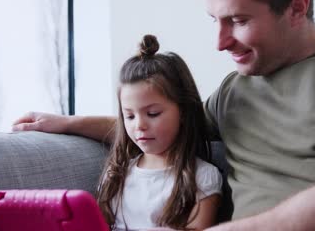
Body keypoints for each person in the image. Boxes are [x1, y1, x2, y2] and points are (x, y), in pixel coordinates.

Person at [13, 0, 315, 230]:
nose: (220, 42)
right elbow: (164, 125)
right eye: (215, 21)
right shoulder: (234, 91)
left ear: (297, 8)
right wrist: (69, 123)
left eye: (239, 20)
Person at [60, 34, 223, 230]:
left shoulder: (203, 178)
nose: (139, 126)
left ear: (183, 111)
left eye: (152, 113)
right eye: (129, 116)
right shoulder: (116, 175)